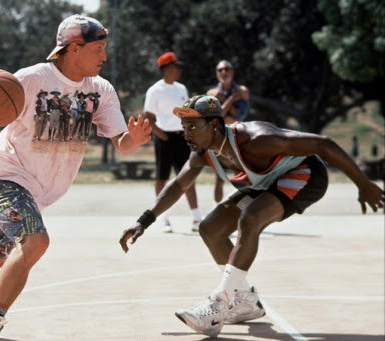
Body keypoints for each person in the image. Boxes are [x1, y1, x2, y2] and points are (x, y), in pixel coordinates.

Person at [0, 14, 152, 341]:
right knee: (36, 241)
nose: (104, 56)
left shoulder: (100, 90)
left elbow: (122, 144)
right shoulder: (30, 80)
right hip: (4, 178)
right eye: (98, 48)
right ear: (74, 48)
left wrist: (137, 140)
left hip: (37, 191)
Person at [119, 95, 384, 338]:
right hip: (265, 183)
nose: (185, 133)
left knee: (250, 218)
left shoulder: (257, 139)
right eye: (184, 127)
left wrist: (364, 184)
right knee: (210, 228)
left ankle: (219, 303)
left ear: (214, 125)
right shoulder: (202, 153)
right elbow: (178, 185)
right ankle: (245, 299)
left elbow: (322, 144)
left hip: (305, 174)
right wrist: (144, 220)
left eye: (192, 127)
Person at [144, 51, 202, 233]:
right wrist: (161, 135)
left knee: (188, 175)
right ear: (167, 69)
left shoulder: (181, 89)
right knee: (162, 177)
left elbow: (186, 112)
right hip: (164, 138)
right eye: (176, 67)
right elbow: (148, 116)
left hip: (182, 137)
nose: (179, 71)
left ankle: (196, 218)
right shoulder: (155, 90)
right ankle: (162, 217)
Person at [207, 60, 250, 203]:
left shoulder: (243, 91)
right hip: (219, 138)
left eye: (227, 69)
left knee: (240, 175)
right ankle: (216, 211)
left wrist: (225, 102)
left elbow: (239, 116)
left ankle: (242, 209)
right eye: (220, 70)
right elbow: (216, 116)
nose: (224, 72)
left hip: (237, 137)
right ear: (216, 73)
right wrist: (231, 100)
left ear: (232, 71)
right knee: (219, 177)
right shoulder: (212, 93)